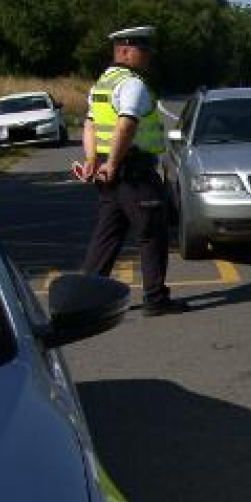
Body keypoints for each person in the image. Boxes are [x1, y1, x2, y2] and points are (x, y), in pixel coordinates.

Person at [80, 25, 188, 317]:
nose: (149, 56)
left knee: (107, 235)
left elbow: (90, 124)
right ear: (125, 51)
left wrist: (93, 160)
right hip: (133, 170)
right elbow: (126, 124)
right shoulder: (133, 84)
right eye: (144, 50)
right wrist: (113, 164)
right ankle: (155, 298)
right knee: (152, 231)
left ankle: (86, 298)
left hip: (109, 169)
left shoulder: (103, 82)